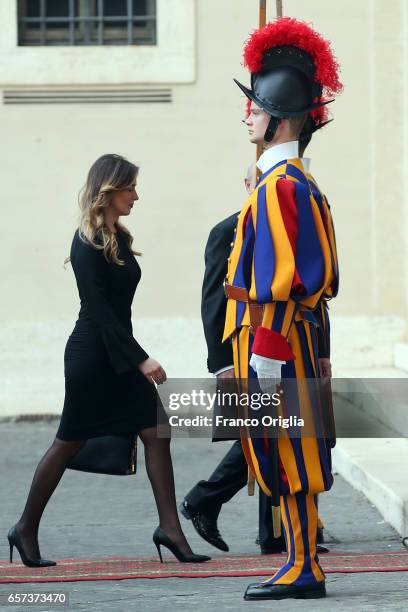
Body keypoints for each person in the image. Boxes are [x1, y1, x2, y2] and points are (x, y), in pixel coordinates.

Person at [7, 154, 210, 567]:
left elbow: (117, 314)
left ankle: (170, 529)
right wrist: (141, 359)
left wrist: (133, 357)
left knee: (157, 432)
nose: (136, 195)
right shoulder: (86, 242)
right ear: (109, 190)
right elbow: (98, 312)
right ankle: (24, 528)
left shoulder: (118, 235)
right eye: (130, 188)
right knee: (68, 442)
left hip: (115, 354)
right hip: (92, 359)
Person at [224, 17, 342, 600]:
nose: (247, 115)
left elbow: (278, 282)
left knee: (291, 452)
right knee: (288, 451)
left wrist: (266, 362)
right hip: (292, 339)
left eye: (255, 107)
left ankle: (303, 568)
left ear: (279, 118)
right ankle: (301, 561)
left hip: (277, 338)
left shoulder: (281, 188)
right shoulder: (290, 182)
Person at [180, 166, 285, 555]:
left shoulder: (282, 231)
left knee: (278, 433)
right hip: (242, 351)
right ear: (246, 186)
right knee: (265, 432)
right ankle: (203, 500)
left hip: (277, 344)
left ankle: (272, 531)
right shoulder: (227, 231)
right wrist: (220, 363)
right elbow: (212, 302)